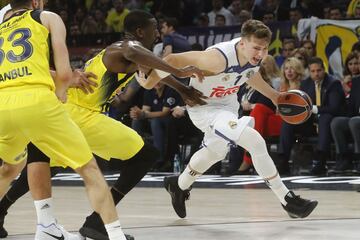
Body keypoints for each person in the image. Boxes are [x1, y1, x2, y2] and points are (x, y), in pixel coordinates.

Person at [0, 9, 206, 240]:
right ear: (139, 31)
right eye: (154, 28)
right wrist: (179, 71)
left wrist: (183, 88)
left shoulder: (129, 55)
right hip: (82, 115)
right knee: (145, 156)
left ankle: (1, 211)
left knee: (47, 168)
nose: (157, 33)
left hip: (65, 110)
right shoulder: (124, 48)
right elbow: (134, 51)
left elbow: (153, 71)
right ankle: (97, 223)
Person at [140, 19, 318, 219]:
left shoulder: (253, 56)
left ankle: (178, 185)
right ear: (242, 43)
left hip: (227, 107)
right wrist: (150, 81)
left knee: (215, 152)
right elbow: (172, 60)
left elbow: (250, 74)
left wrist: (274, 96)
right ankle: (288, 200)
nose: (260, 54)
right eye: (256, 48)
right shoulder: (217, 59)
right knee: (255, 141)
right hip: (204, 108)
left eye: (265, 49)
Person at [0, 0, 127, 239]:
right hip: (37, 100)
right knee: (89, 169)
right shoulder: (47, 17)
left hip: (3, 103)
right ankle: (116, 235)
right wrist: (61, 90)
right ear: (36, 1)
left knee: (9, 168)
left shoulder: (1, 24)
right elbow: (66, 73)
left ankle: (47, 227)